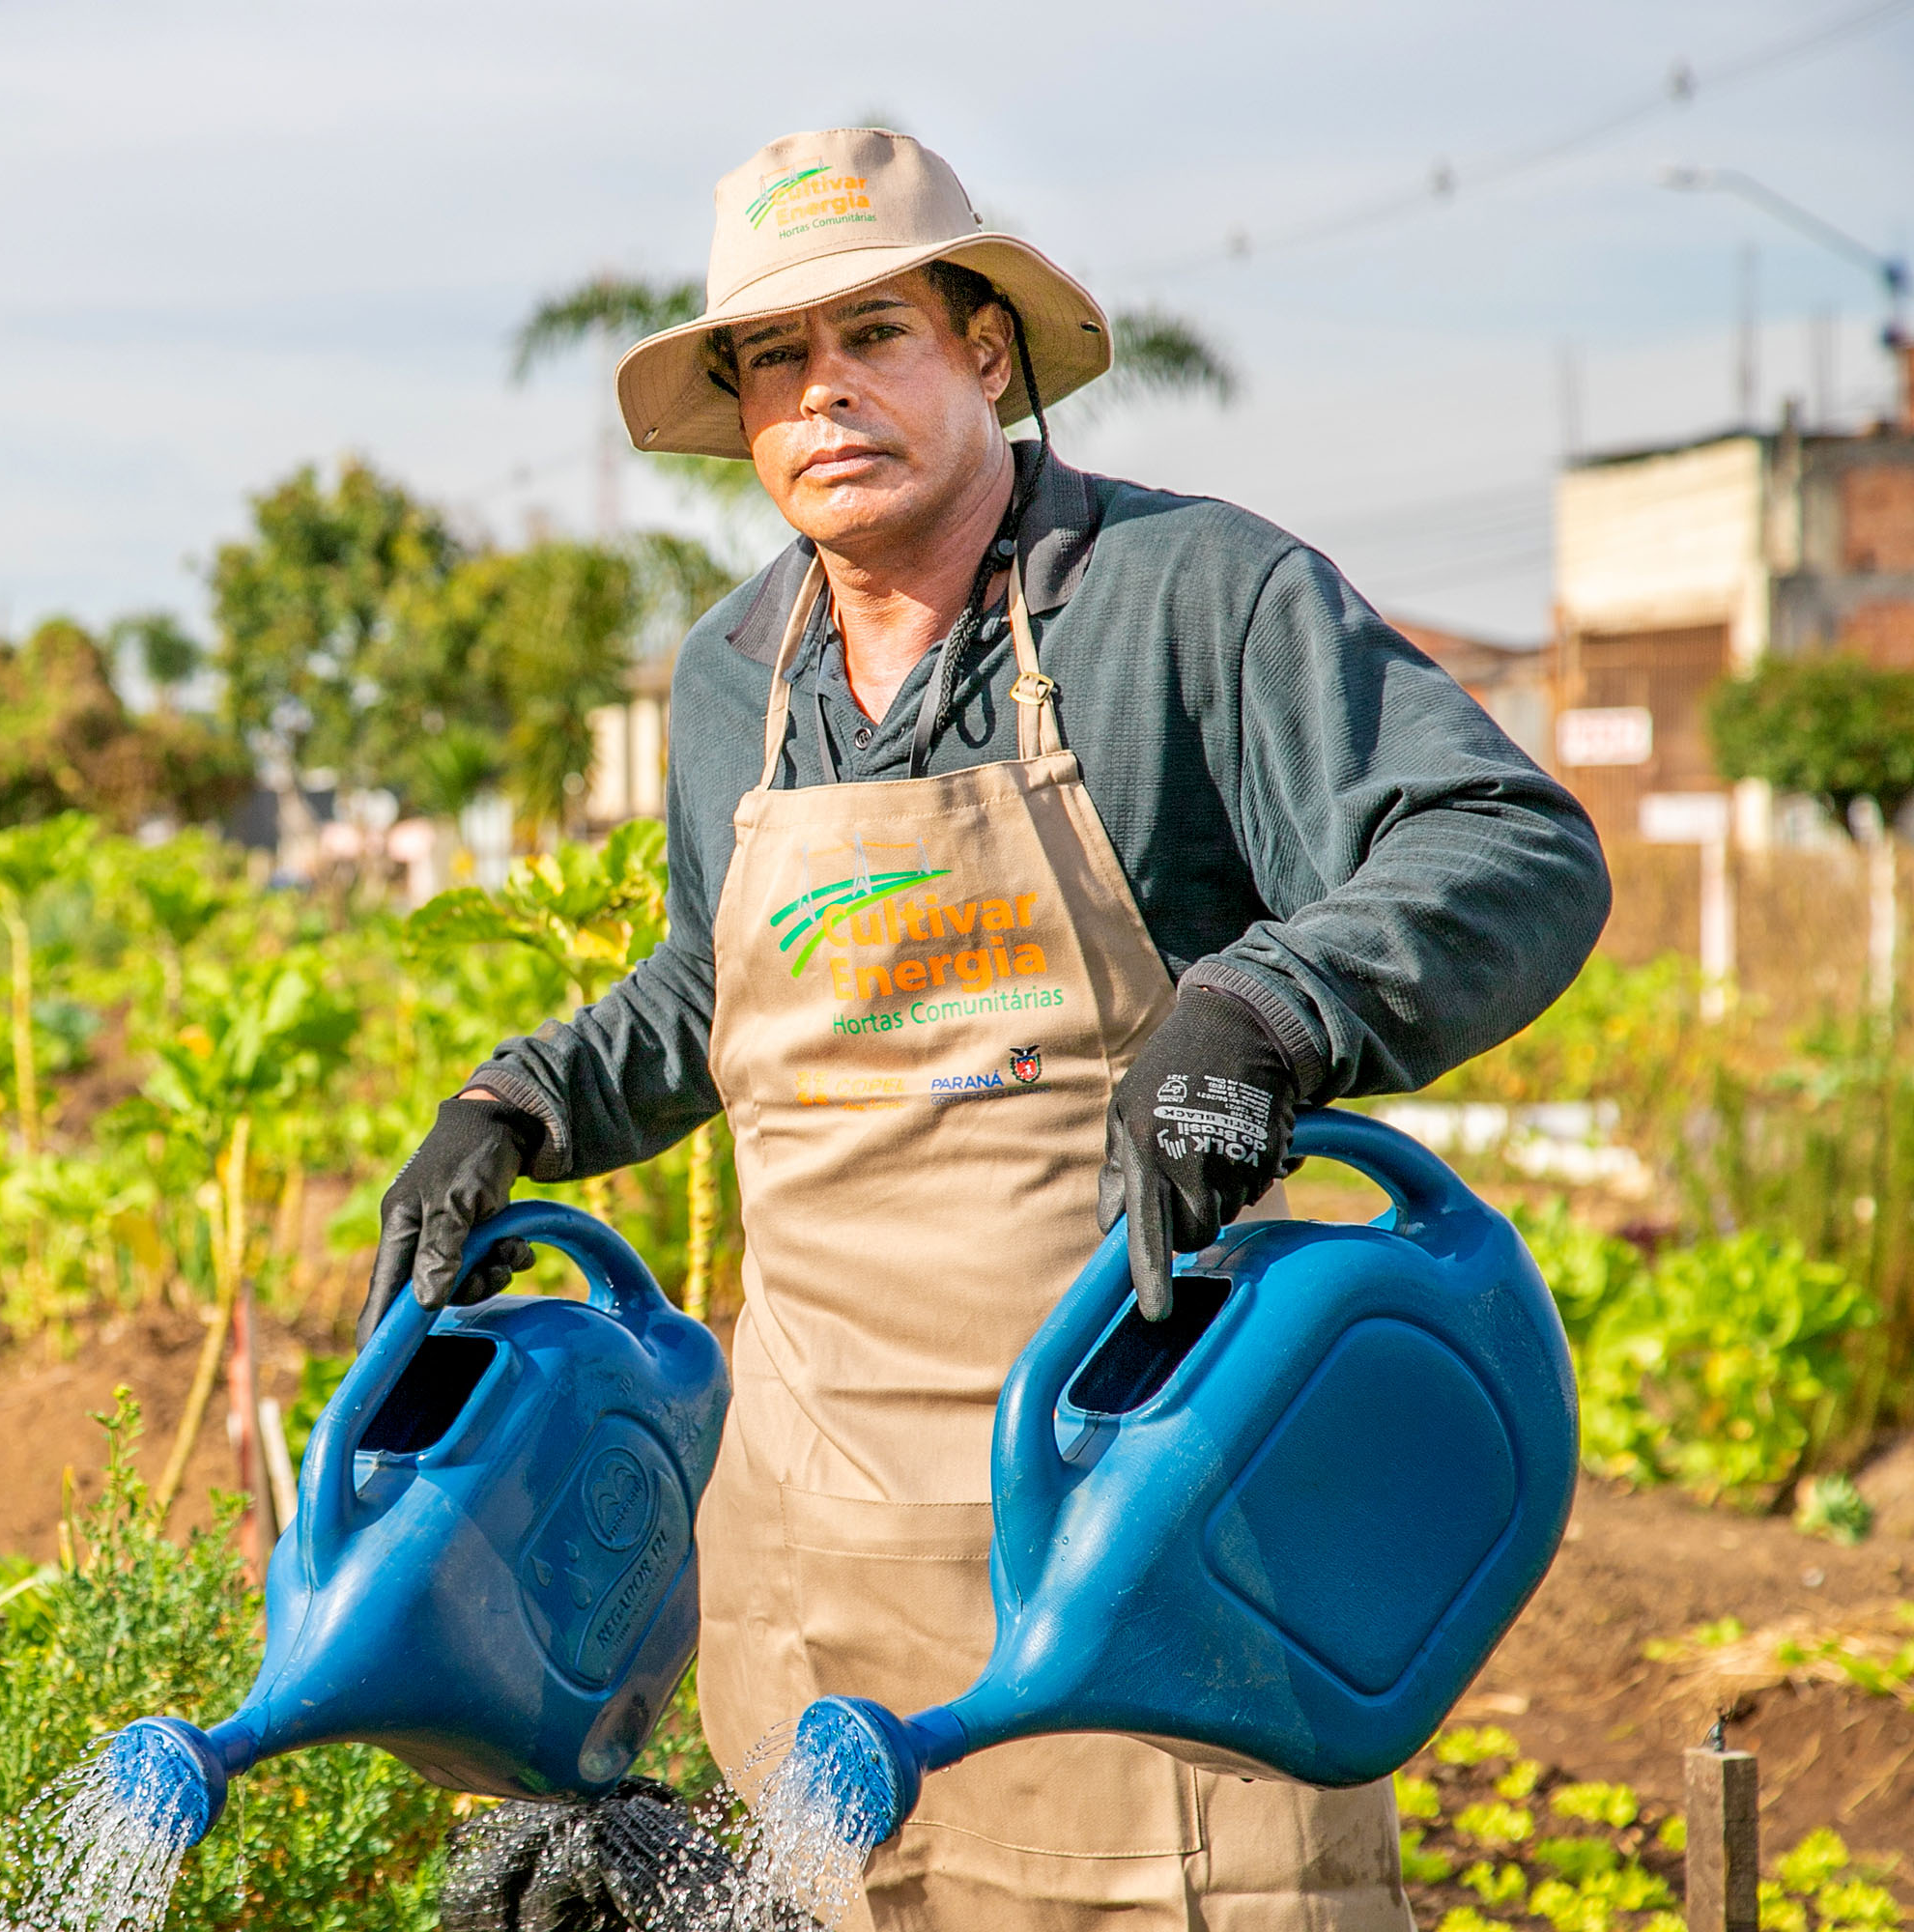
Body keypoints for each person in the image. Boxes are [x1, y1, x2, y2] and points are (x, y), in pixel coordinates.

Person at [359, 128, 1608, 1932]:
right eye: (774, 359)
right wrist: (519, 1106)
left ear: (988, 354)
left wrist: (1268, 1008)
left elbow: (1511, 844)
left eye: (875, 332)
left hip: (1142, 1537)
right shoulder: (736, 677)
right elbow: (721, 993)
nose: (824, 392)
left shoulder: (1187, 601)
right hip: (817, 1560)